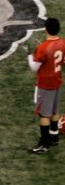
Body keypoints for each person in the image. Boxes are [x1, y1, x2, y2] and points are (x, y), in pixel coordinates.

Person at [28, 17, 65, 154]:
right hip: (57, 80)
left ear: (45, 29)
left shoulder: (43, 47)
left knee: (43, 114)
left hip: (45, 84)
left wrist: (29, 56)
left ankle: (44, 144)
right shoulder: (63, 43)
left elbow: (34, 67)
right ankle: (54, 136)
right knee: (55, 110)